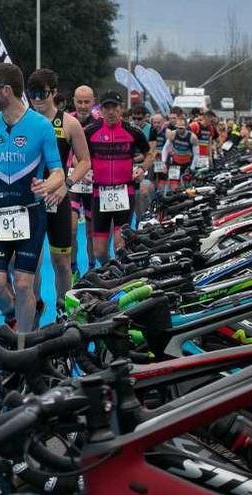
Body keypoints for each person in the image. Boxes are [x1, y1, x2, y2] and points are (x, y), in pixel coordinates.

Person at [0, 62, 64, 333]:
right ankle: (15, 314)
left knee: (24, 284)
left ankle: (24, 348)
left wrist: (48, 184)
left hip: (30, 214)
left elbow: (57, 170)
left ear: (6, 90)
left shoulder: (41, 126)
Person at [27, 68, 91, 322]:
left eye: (42, 94)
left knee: (61, 262)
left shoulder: (69, 123)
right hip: (31, 200)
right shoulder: (25, 120)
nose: (37, 99)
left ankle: (63, 308)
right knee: (30, 262)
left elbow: (85, 161)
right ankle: (33, 305)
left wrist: (66, 183)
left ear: (54, 92)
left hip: (58, 199)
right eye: (32, 94)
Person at [84, 90, 150, 264]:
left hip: (124, 193)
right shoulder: (90, 131)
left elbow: (150, 153)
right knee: (99, 252)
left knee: (120, 247)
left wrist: (142, 168)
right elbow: (77, 155)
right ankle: (112, 271)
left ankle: (120, 276)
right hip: (99, 194)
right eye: (107, 107)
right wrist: (83, 171)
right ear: (101, 109)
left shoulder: (133, 131)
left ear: (121, 109)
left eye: (114, 107)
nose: (111, 111)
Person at [69, 85, 97, 277]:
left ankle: (93, 268)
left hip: (92, 180)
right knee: (70, 228)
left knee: (91, 231)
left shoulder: (99, 123)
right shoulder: (65, 121)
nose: (83, 106)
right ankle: (73, 269)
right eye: (79, 101)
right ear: (74, 101)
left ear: (93, 101)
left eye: (87, 102)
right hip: (71, 180)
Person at [161, 116, 199, 191]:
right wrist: (163, 162)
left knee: (187, 189)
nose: (179, 130)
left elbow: (196, 154)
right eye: (177, 127)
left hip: (187, 164)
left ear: (186, 127)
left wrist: (192, 168)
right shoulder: (173, 134)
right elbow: (165, 148)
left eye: (181, 128)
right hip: (175, 163)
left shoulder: (192, 137)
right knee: (174, 187)